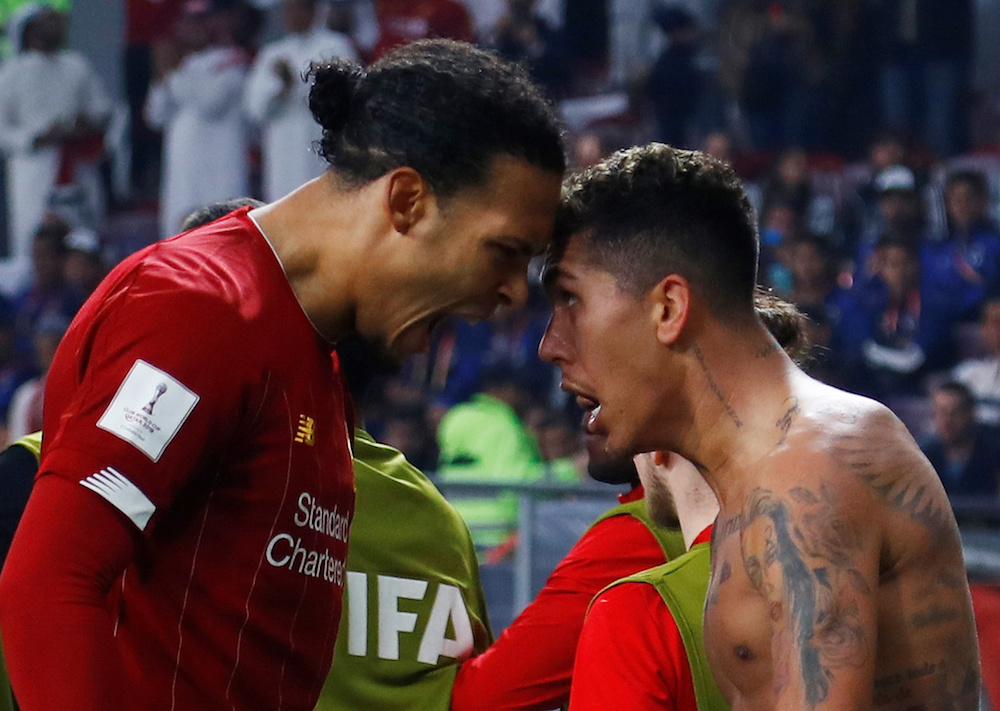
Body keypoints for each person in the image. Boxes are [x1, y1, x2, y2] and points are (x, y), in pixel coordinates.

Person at [0, 39, 565, 711]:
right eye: (504, 252)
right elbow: (48, 579)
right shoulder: (201, 309)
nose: (514, 294)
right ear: (407, 200)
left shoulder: (310, 355)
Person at [538, 143, 980, 708]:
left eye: (570, 299)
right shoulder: (772, 472)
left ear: (669, 309)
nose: (550, 344)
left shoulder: (807, 472)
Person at [450, 289, 806, 711]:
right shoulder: (829, 554)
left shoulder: (634, 565)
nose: (583, 398)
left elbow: (485, 697)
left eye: (611, 392)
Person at [0, 4, 112, 261]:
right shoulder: (11, 72)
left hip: (77, 163)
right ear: (29, 31)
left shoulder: (76, 64)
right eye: (46, 22)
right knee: (35, 232)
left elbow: (102, 107)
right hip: (36, 166)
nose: (56, 26)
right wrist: (37, 137)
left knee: (84, 232)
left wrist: (86, 121)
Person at [144, 0, 251, 238]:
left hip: (219, 176)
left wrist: (171, 74)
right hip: (183, 178)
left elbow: (210, 101)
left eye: (200, 21)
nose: (193, 28)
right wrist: (166, 75)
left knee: (222, 244)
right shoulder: (182, 66)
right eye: (188, 21)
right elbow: (154, 116)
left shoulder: (232, 59)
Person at [244, 0, 359, 202]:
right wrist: (280, 89)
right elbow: (254, 108)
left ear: (314, 10)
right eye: (289, 9)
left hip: (320, 145)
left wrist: (296, 85)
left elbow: (345, 95)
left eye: (299, 8)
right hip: (282, 149)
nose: (293, 15)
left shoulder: (335, 45)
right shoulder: (272, 53)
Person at [920, 381, 1000, 500]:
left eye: (955, 413)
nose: (947, 421)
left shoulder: (994, 449)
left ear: (970, 414)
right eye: (941, 412)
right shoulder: (924, 453)